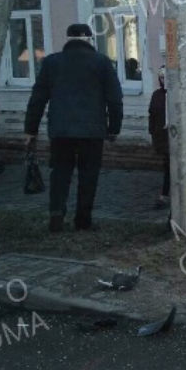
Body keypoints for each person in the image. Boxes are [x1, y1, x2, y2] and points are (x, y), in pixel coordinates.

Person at [24, 23, 123, 232]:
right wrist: (114, 128)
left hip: (60, 130)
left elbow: (38, 98)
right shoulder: (101, 62)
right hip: (92, 130)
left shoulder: (52, 62)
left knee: (60, 172)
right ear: (89, 39)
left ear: (68, 39)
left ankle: (56, 214)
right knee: (89, 175)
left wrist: (30, 130)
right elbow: (114, 99)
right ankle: (83, 220)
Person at [148, 66, 169, 209]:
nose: (164, 80)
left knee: (170, 166)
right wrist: (152, 133)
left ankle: (164, 195)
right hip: (161, 137)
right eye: (162, 77)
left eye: (167, 77)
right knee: (167, 166)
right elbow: (152, 116)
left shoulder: (179, 93)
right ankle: (165, 194)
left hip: (175, 137)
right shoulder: (156, 95)